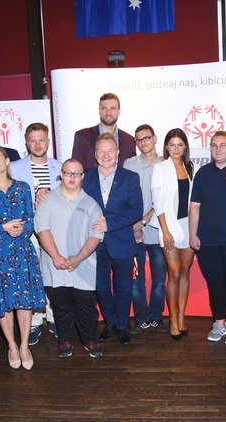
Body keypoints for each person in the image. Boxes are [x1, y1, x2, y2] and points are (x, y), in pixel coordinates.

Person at [0, 146, 45, 370]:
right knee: (3, 302)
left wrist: (23, 229)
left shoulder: (22, 188)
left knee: (24, 301)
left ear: (6, 161)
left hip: (21, 251)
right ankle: (12, 346)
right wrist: (2, 227)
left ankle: (24, 346)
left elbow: (31, 219)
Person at [36, 159, 104, 358]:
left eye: (76, 173)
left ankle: (90, 339)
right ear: (61, 175)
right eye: (68, 172)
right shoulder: (46, 200)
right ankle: (65, 339)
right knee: (60, 305)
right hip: (54, 264)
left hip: (83, 266)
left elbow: (95, 235)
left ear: (82, 176)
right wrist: (56, 256)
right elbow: (42, 229)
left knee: (85, 305)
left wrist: (79, 258)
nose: (72, 177)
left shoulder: (91, 204)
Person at [190, 131, 226, 345]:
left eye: (223, 145)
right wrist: (193, 234)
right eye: (214, 145)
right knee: (215, 284)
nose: (218, 149)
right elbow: (195, 207)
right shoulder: (203, 173)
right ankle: (219, 323)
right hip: (208, 241)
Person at [82, 133, 143, 344]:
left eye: (110, 150)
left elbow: (136, 210)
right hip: (94, 244)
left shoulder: (130, 178)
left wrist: (110, 224)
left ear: (117, 153)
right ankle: (109, 322)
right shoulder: (85, 177)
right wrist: (43, 193)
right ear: (95, 154)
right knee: (101, 288)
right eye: (101, 151)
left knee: (124, 288)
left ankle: (122, 325)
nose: (106, 155)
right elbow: (70, 197)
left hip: (122, 242)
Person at [10, 122, 63, 345]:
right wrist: (34, 199)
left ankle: (53, 318)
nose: (38, 144)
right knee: (30, 275)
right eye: (33, 140)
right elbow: (10, 200)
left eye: (42, 140)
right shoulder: (13, 168)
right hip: (26, 231)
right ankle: (33, 321)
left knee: (52, 274)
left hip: (53, 229)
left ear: (48, 141)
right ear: (26, 143)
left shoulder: (60, 167)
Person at [123, 124, 169, 334]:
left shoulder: (166, 163)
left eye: (147, 138)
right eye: (139, 140)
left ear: (155, 138)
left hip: (158, 231)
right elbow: (125, 199)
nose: (143, 143)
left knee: (159, 279)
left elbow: (164, 199)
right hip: (135, 232)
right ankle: (141, 318)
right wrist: (134, 226)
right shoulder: (129, 164)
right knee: (136, 279)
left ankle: (157, 316)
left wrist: (143, 222)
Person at [151, 129, 196, 340]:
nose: (176, 149)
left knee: (185, 272)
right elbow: (158, 203)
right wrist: (165, 231)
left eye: (180, 145)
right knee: (175, 273)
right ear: (166, 147)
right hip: (168, 226)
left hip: (189, 225)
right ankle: (173, 319)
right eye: (172, 145)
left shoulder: (190, 167)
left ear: (185, 146)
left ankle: (181, 317)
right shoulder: (160, 168)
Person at [72, 93, 136, 170]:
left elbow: (132, 171)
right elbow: (75, 170)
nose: (108, 113)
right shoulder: (82, 136)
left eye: (112, 108)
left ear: (119, 111)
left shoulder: (129, 141)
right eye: (104, 108)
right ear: (99, 111)